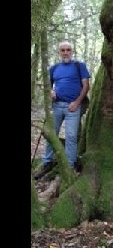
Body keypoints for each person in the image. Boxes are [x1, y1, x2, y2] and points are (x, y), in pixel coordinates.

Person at [34, 42, 91, 179]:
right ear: (59, 52)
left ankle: (69, 166)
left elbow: (86, 86)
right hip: (57, 106)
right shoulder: (54, 68)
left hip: (73, 107)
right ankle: (47, 162)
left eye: (68, 50)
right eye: (63, 50)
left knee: (71, 136)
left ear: (72, 51)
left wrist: (77, 102)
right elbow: (47, 85)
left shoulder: (79, 66)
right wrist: (51, 92)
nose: (65, 52)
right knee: (51, 134)